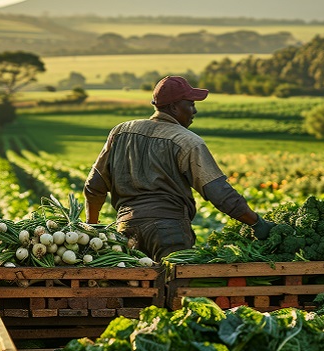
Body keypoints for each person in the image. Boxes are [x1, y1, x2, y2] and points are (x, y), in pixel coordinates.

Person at [83, 75, 274, 261]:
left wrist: (92, 227)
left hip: (126, 229)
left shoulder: (121, 132)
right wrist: (256, 222)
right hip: (169, 232)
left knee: (137, 287)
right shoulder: (187, 141)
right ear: (174, 107)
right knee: (172, 288)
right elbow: (220, 193)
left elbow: (94, 186)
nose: (195, 111)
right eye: (190, 104)